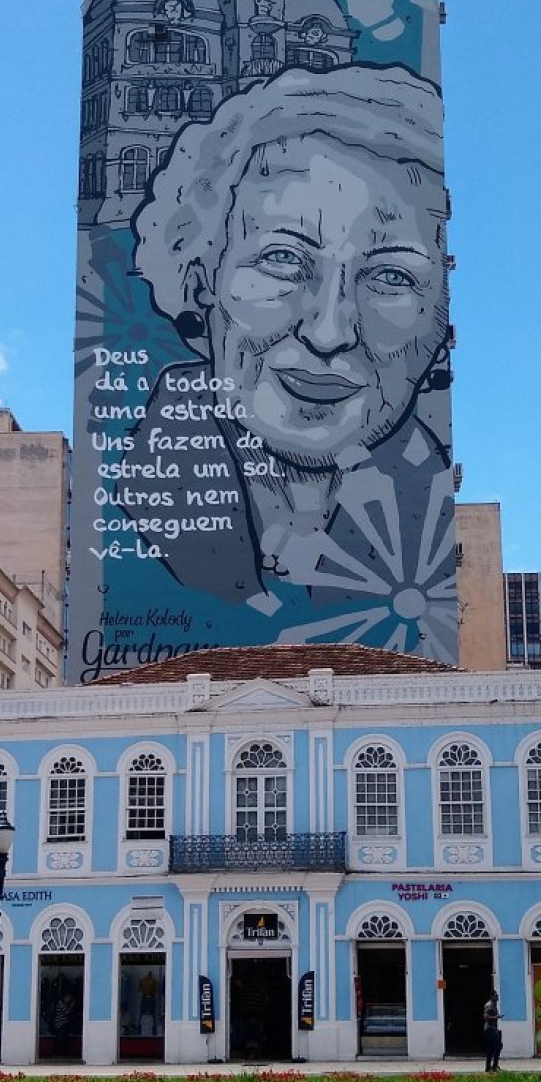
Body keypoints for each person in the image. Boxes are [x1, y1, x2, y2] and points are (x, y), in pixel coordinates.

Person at [126, 63, 456, 658]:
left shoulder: (429, 519)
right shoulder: (141, 502)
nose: (329, 330)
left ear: (439, 324)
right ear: (202, 273)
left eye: (390, 276)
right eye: (281, 259)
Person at [483, 989, 503, 1073]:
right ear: (492, 997)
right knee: (496, 1046)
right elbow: (486, 1017)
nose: (497, 997)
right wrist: (496, 1017)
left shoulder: (494, 1005)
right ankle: (491, 1066)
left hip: (494, 1028)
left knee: (495, 1047)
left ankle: (492, 1066)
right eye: (496, 996)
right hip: (490, 1028)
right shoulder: (489, 1005)